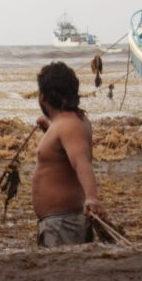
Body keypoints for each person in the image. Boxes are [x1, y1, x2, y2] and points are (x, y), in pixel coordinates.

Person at [32, 61, 106, 247]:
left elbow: (81, 163)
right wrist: (50, 127)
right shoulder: (67, 123)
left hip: (64, 223)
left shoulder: (68, 125)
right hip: (60, 222)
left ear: (44, 96)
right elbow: (67, 152)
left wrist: (91, 197)